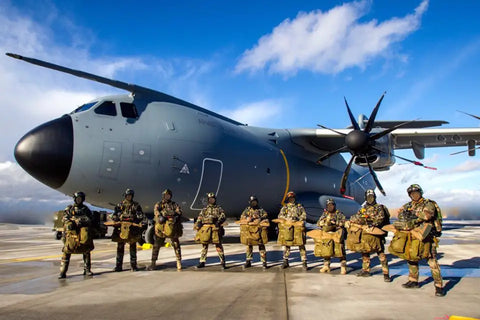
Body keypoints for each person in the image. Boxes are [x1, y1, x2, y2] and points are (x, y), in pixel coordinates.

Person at [399, 184, 445, 297]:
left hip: (427, 236)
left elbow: (427, 215)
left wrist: (413, 214)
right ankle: (413, 280)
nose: (414, 195)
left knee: (431, 260)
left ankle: (438, 286)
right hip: (413, 235)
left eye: (416, 193)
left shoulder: (428, 204)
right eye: (412, 194)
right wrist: (405, 215)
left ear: (420, 193)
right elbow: (400, 214)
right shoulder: (408, 205)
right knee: (411, 257)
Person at [349, 189, 391, 281]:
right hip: (365, 234)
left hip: (376, 234)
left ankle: (386, 273)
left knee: (381, 253)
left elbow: (380, 219)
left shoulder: (379, 207)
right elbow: (355, 217)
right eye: (368, 197)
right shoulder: (363, 208)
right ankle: (366, 270)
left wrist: (368, 222)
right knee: (365, 252)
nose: (370, 199)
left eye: (371, 197)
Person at [59, 191, 94, 279]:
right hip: (71, 234)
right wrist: (72, 222)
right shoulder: (70, 209)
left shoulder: (86, 209)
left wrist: (81, 221)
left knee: (86, 250)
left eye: (80, 199)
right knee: (67, 250)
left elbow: (90, 220)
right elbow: (64, 219)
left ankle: (87, 269)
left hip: (83, 233)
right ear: (75, 199)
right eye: (77, 198)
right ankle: (63, 271)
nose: (79, 200)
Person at [147, 189, 183, 271]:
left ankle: (179, 262)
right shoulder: (159, 204)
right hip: (162, 228)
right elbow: (156, 211)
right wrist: (159, 216)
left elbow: (179, 211)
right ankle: (153, 263)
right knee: (156, 245)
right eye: (166, 195)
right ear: (163, 196)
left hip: (172, 228)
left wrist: (176, 215)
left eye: (169, 195)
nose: (167, 196)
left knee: (176, 245)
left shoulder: (174, 205)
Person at [111, 188, 146, 272]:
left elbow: (141, 216)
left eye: (130, 195)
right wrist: (119, 218)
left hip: (132, 229)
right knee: (120, 247)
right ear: (125, 196)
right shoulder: (120, 205)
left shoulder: (136, 205)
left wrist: (134, 220)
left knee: (133, 247)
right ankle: (118, 266)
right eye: (127, 195)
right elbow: (114, 215)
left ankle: (133, 266)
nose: (129, 197)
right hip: (122, 229)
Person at [195, 193, 227, 269]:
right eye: (210, 199)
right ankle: (202, 261)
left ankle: (222, 262)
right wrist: (199, 222)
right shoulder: (205, 209)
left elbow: (223, 215)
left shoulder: (219, 208)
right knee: (204, 245)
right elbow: (200, 216)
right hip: (206, 229)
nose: (211, 200)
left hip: (215, 228)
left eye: (213, 199)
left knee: (218, 245)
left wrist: (218, 221)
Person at [277, 191, 307, 270]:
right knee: (287, 244)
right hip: (288, 228)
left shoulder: (299, 207)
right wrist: (287, 220)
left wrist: (298, 219)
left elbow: (304, 215)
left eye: (292, 198)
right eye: (290, 198)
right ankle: (285, 261)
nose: (291, 199)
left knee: (301, 244)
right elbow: (280, 216)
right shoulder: (285, 207)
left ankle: (304, 261)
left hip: (297, 227)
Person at [317, 198, 347, 274]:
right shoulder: (325, 214)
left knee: (340, 251)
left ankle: (343, 267)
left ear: (334, 205)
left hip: (337, 234)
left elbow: (344, 222)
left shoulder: (339, 213)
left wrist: (335, 223)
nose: (330, 207)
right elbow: (319, 222)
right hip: (328, 234)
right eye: (329, 205)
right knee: (326, 250)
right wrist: (324, 222)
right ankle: (326, 266)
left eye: (332, 205)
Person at [240, 196, 269, 269]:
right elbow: (242, 217)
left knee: (261, 245)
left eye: (255, 202)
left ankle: (264, 261)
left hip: (258, 230)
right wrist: (248, 218)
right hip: (250, 230)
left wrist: (260, 218)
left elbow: (265, 215)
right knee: (249, 245)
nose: (254, 203)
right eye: (252, 202)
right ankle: (248, 261)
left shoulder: (260, 210)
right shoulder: (247, 210)